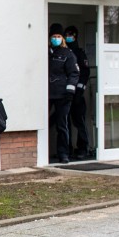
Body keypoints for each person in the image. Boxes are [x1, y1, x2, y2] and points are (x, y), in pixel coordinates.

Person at [47, 23, 79, 165]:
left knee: (62, 126)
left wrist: (70, 90)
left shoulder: (67, 54)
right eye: (54, 36)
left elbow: (74, 73)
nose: (56, 38)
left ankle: (64, 154)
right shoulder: (45, 52)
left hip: (62, 95)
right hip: (47, 94)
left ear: (62, 38)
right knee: (45, 123)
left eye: (59, 36)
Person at [64, 25, 92, 160]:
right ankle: (67, 149)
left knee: (79, 121)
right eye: (67, 35)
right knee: (65, 123)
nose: (68, 37)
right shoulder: (62, 52)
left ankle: (83, 148)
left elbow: (85, 73)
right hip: (64, 94)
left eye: (71, 35)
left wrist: (79, 90)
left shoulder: (79, 53)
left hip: (77, 95)